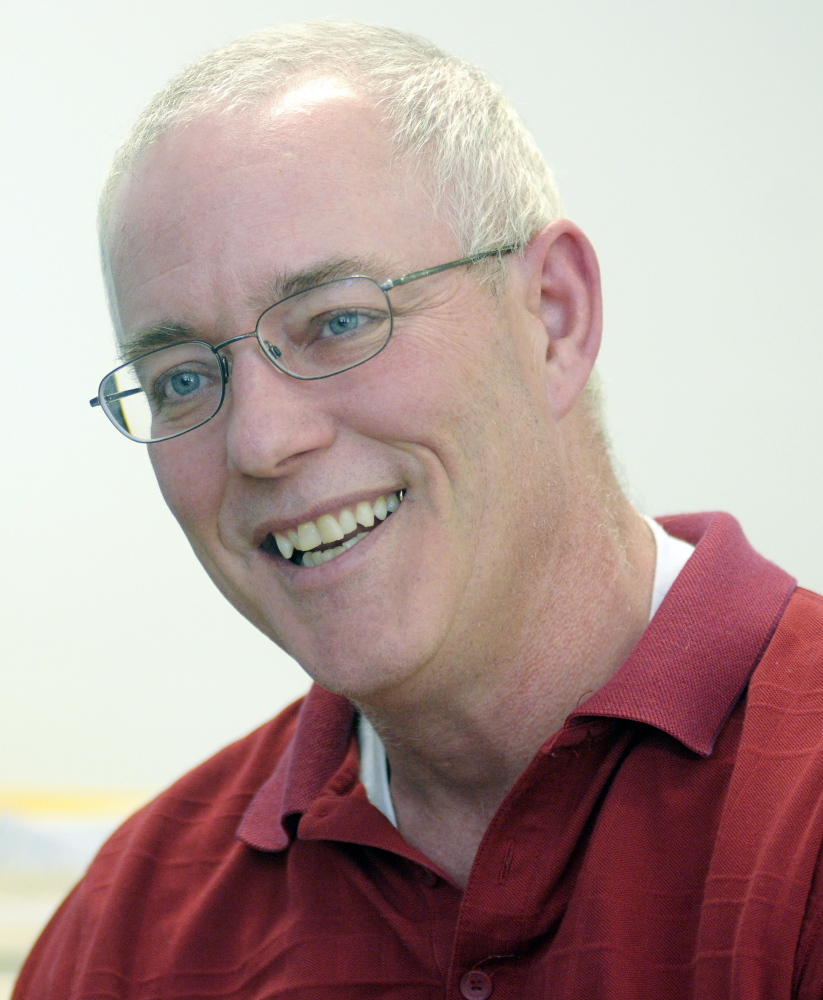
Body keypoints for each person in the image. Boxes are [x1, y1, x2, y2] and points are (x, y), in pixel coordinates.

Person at [13, 20, 823, 1000]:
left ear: (553, 317)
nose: (261, 441)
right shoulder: (130, 932)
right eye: (182, 378)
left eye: (336, 321)